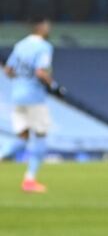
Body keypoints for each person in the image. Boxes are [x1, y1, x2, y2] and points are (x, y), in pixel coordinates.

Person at [1, 18, 62, 193]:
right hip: (34, 97)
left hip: (17, 96)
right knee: (41, 135)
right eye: (47, 26)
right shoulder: (44, 47)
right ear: (41, 27)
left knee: (23, 137)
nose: (49, 29)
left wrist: (21, 79)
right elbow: (41, 72)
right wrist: (54, 86)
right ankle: (30, 180)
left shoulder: (20, 45)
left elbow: (8, 70)